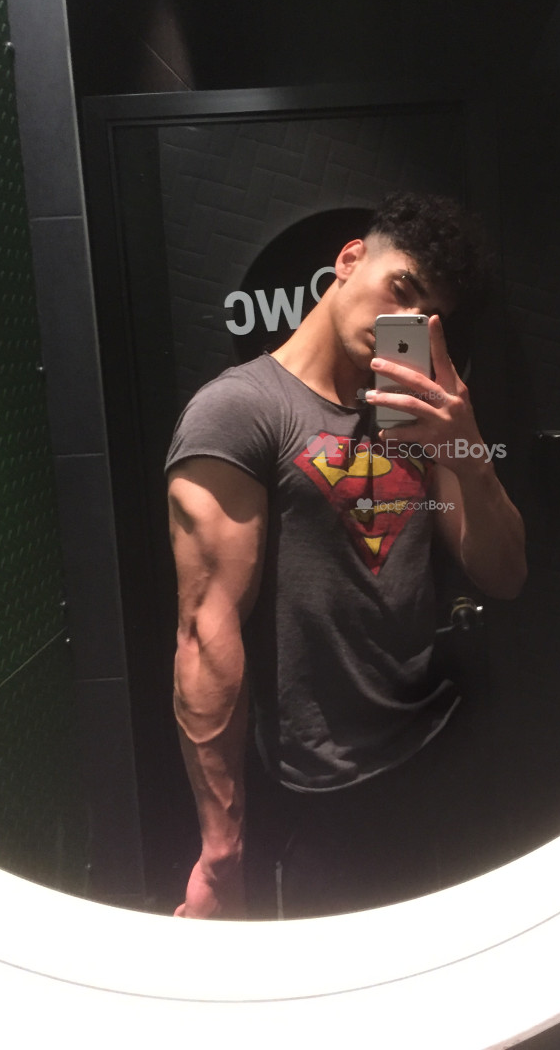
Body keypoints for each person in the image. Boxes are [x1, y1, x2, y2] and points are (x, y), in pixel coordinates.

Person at [165, 192, 526, 919]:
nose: (407, 321)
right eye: (402, 288)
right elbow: (206, 634)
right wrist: (221, 849)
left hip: (441, 746)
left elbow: (505, 574)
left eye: (430, 317)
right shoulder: (241, 411)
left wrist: (467, 449)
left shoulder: (419, 411)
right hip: (324, 783)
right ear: (351, 260)